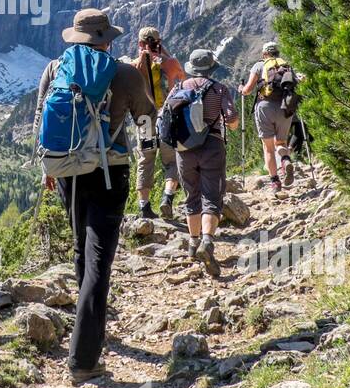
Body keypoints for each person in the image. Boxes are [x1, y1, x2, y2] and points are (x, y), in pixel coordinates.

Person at [33, 8, 155, 384]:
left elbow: (40, 120)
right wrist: (149, 159)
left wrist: (48, 170)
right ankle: (84, 358)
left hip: (67, 171)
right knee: (100, 258)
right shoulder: (124, 74)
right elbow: (147, 122)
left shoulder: (55, 68)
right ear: (108, 39)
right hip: (109, 172)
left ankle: (91, 331)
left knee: (79, 248)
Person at [163, 49, 238, 276]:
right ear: (210, 67)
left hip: (184, 149)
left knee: (192, 195)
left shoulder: (178, 88)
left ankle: (193, 244)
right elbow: (232, 120)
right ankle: (207, 241)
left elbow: (163, 116)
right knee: (211, 195)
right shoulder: (219, 88)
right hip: (212, 145)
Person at [124, 26, 184, 220]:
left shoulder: (133, 66)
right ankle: (167, 197)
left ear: (140, 44)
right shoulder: (170, 63)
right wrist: (164, 52)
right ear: (159, 43)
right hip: (166, 119)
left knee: (145, 161)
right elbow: (182, 79)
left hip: (144, 120)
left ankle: (144, 207)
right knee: (171, 161)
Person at [239, 41, 295, 195]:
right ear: (277, 52)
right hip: (285, 107)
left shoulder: (259, 65)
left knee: (268, 148)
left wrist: (241, 90)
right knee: (281, 142)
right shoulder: (286, 65)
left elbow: (248, 90)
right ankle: (285, 160)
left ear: (264, 54)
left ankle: (275, 182)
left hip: (265, 107)